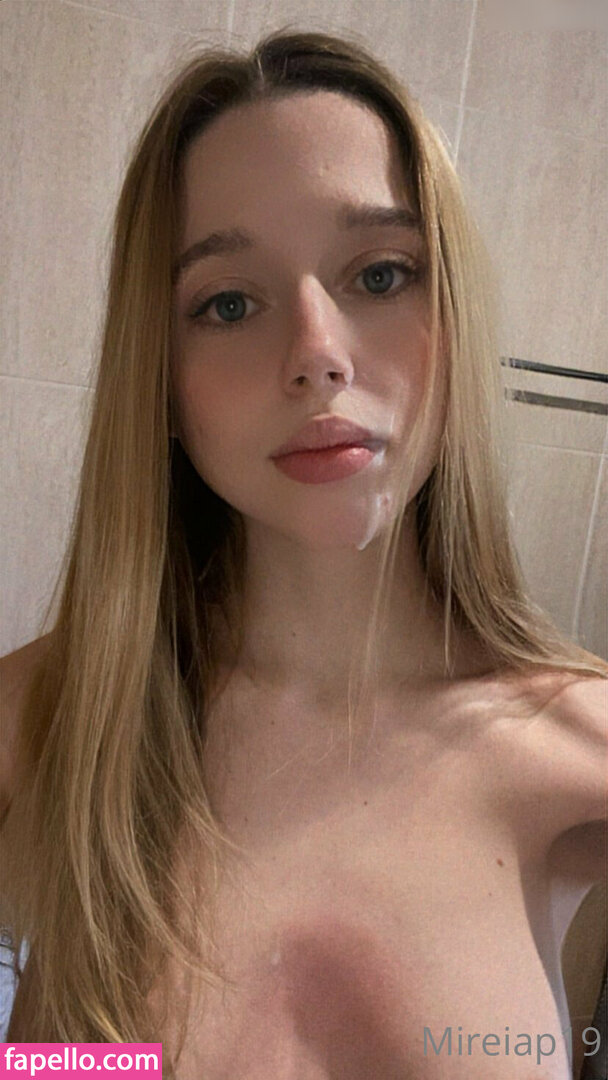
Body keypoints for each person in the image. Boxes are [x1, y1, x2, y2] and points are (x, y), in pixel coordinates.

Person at [0, 27, 606, 1080]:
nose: (318, 355)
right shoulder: (42, 728)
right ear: (161, 379)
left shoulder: (581, 760)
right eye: (229, 302)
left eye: (381, 273)